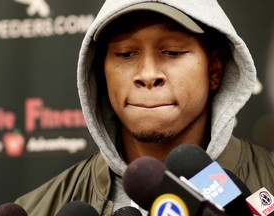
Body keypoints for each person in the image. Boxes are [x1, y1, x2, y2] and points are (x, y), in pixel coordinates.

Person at [15, 0, 274, 215]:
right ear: (100, 74)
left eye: (172, 52)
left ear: (214, 70)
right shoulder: (36, 208)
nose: (148, 75)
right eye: (126, 54)